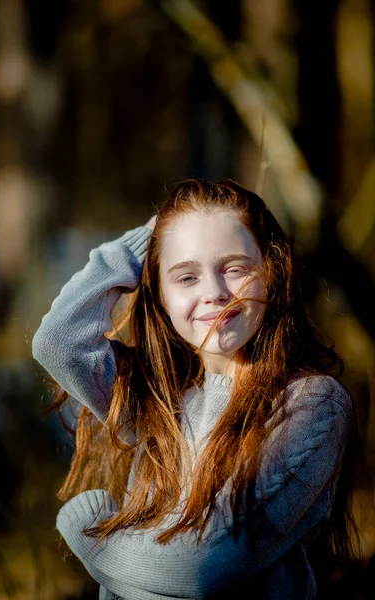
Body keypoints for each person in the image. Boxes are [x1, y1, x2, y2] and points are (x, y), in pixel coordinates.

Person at [32, 179, 359, 599]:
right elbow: (58, 341)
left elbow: (201, 570)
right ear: (162, 297)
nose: (214, 293)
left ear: (271, 276)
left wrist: (92, 536)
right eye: (186, 277)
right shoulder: (160, 401)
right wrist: (154, 236)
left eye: (235, 268)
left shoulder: (311, 405)